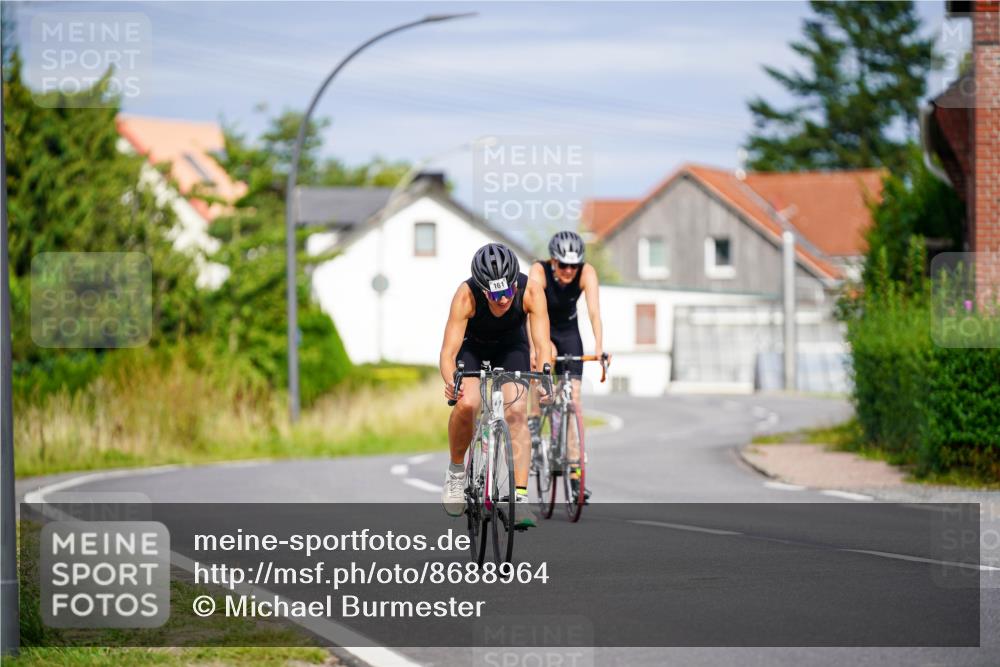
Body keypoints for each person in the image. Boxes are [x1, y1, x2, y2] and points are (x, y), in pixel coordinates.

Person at [439, 243, 553, 528]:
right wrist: (451, 382)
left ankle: (520, 499)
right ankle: (455, 474)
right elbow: (447, 353)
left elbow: (542, 344)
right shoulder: (465, 296)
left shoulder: (530, 291)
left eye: (507, 291)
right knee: (468, 403)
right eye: (495, 294)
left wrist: (545, 378)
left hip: (512, 347)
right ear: (481, 289)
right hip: (474, 349)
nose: (503, 300)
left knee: (516, 414)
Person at [527, 230, 604, 503]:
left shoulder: (587, 273)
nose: (570, 270)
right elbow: (529, 311)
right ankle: (535, 422)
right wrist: (537, 349)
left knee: (573, 400)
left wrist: (599, 346)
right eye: (564, 265)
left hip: (569, 332)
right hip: (542, 328)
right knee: (542, 368)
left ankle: (574, 475)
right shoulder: (538, 271)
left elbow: (594, 311)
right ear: (553, 261)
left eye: (575, 265)